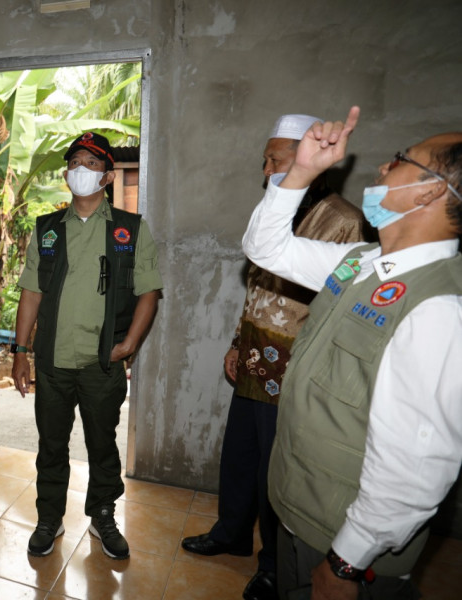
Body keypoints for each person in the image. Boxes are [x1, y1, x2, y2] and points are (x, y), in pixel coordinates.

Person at [243, 106, 462, 600]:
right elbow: (265, 249)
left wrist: (347, 563)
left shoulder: (439, 309)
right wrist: (299, 172)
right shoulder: (362, 263)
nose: (383, 167)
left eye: (400, 160)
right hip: (302, 512)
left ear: (430, 191)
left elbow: (417, 467)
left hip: (348, 551)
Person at [180, 114, 368, 600]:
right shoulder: (275, 210)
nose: (266, 170)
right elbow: (259, 288)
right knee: (240, 457)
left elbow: (345, 305)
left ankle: (273, 563)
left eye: (275, 160)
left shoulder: (343, 220)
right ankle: (232, 534)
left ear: (311, 161)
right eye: (265, 161)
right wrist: (236, 343)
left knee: (276, 471)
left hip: (296, 365)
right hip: (254, 358)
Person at [12, 132, 162, 560]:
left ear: (109, 176)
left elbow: (149, 292)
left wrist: (129, 344)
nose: (82, 169)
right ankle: (48, 518)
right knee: (51, 445)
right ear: (66, 174)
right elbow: (31, 293)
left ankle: (102, 516)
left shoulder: (130, 231)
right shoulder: (46, 230)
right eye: (76, 162)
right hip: (53, 362)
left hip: (103, 363)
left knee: (102, 444)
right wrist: (21, 353)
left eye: (92, 164)